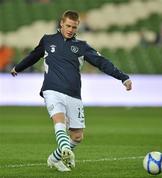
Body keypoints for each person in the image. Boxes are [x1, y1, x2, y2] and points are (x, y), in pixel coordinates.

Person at [11, 10, 132, 172]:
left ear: (77, 27)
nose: (70, 29)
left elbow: (102, 62)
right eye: (68, 25)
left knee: (77, 137)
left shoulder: (81, 47)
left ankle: (55, 158)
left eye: (74, 27)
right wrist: (18, 68)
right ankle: (66, 150)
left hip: (74, 94)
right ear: (61, 23)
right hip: (51, 90)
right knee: (59, 121)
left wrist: (123, 77)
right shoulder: (48, 40)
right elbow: (34, 56)